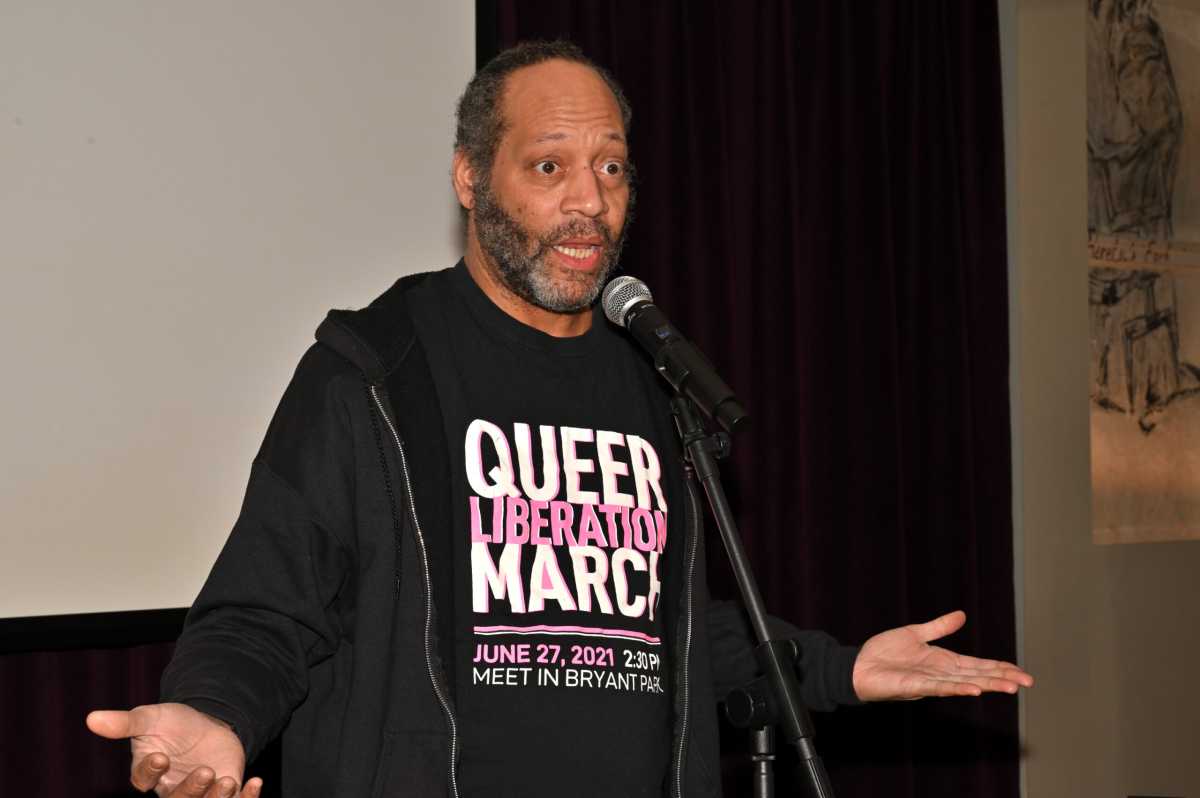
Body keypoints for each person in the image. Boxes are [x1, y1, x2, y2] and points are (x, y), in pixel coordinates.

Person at [87, 41, 1032, 798]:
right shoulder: (374, 372)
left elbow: (667, 633)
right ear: (469, 179)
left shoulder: (655, 380)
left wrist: (838, 669)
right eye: (550, 166)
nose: (591, 201)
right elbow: (267, 607)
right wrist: (214, 711)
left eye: (612, 168)